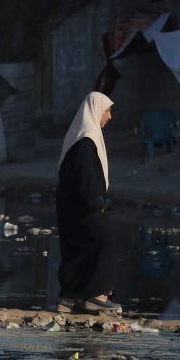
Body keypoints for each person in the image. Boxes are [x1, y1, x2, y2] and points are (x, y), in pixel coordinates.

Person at [56, 92, 121, 316]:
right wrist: (97, 202)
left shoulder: (81, 136)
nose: (109, 116)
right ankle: (97, 296)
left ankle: (69, 298)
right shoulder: (87, 139)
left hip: (72, 205)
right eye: (107, 110)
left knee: (77, 248)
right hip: (84, 205)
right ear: (95, 110)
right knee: (105, 242)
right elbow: (86, 177)